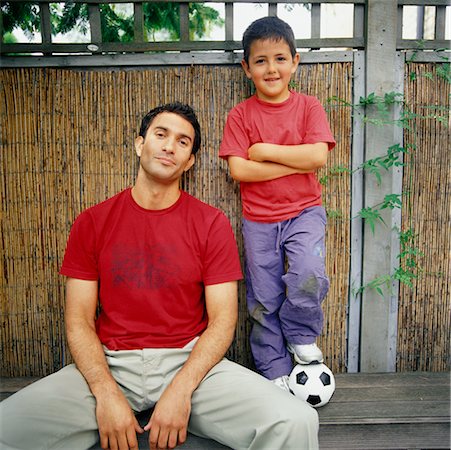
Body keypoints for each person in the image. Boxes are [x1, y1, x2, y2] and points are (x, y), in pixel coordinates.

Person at [0, 102, 319, 450]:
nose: (169, 146)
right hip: (109, 364)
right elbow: (78, 320)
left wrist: (181, 391)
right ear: (140, 144)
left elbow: (223, 321)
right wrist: (105, 393)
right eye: (161, 135)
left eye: (183, 142)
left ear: (190, 161)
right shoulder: (92, 222)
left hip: (191, 364)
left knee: (295, 421)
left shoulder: (211, 224)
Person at [219, 17, 336, 391]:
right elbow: (239, 170)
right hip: (259, 221)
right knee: (263, 296)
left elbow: (317, 157)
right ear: (246, 67)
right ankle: (273, 365)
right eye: (261, 61)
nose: (272, 68)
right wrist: (290, 162)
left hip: (305, 213)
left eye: (280, 58)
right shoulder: (241, 115)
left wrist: (265, 153)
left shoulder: (308, 107)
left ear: (295, 61)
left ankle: (302, 336)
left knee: (307, 272)